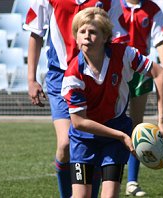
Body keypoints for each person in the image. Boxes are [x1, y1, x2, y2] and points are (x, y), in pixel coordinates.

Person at [61, 7, 163, 198]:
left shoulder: (124, 54)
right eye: (82, 32)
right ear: (76, 38)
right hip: (84, 138)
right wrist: (121, 136)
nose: (87, 36)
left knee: (110, 195)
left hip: (114, 130)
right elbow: (78, 122)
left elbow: (160, 73)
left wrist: (161, 119)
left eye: (93, 32)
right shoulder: (72, 75)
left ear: (105, 37)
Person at [23, 1, 112, 197]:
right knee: (65, 144)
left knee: (92, 143)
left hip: (94, 77)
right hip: (60, 76)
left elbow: (116, 34)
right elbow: (35, 33)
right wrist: (31, 79)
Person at [111, 0, 163, 196]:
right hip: (116, 67)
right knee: (110, 122)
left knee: (137, 125)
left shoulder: (152, 10)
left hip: (140, 70)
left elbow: (160, 39)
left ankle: (132, 182)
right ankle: (106, 175)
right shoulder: (114, 4)